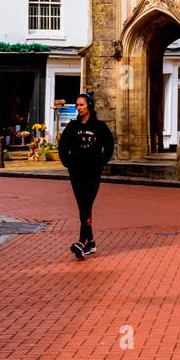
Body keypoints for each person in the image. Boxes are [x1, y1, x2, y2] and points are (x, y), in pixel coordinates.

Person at [59, 92, 115, 259]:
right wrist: (67, 163)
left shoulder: (99, 126)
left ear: (89, 106)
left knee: (86, 204)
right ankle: (89, 243)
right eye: (77, 105)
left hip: (92, 172)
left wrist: (101, 162)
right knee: (83, 207)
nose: (78, 108)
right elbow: (63, 146)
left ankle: (81, 242)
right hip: (76, 172)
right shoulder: (72, 127)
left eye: (81, 105)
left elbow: (109, 145)